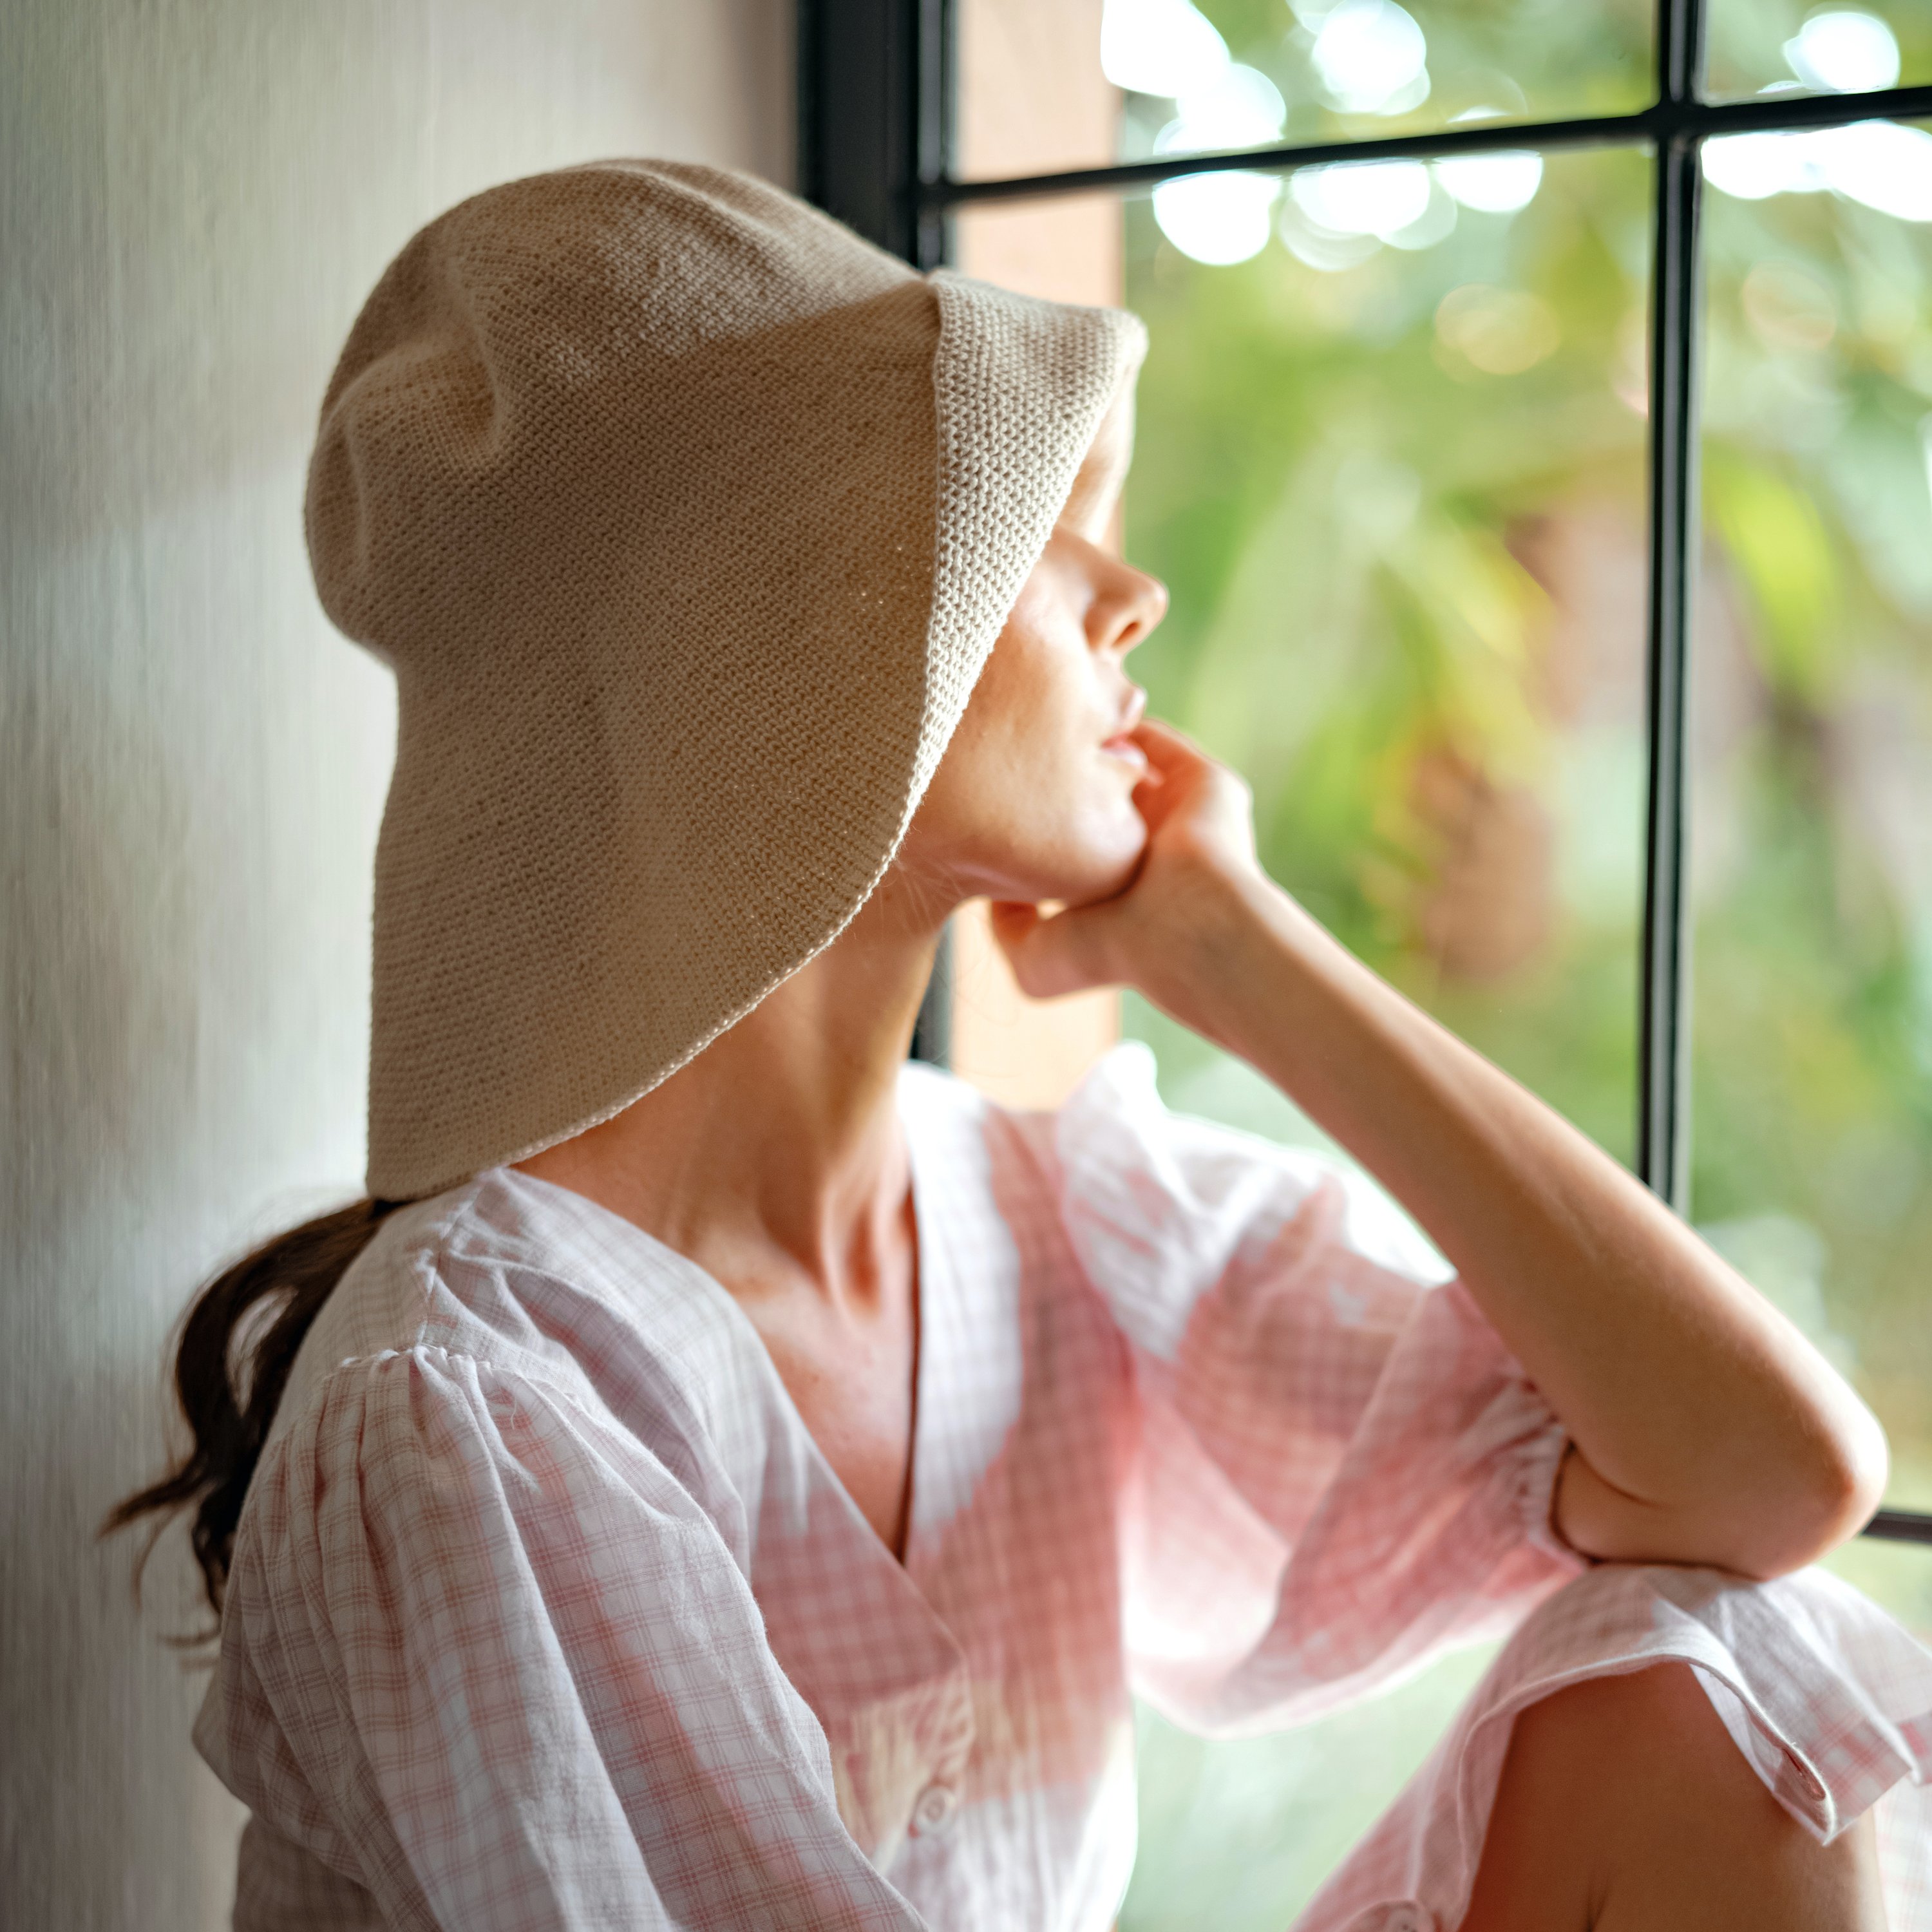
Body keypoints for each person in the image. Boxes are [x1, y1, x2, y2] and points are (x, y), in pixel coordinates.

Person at [111, 161, 1932, 1931]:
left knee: (1735, 1682)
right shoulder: (477, 1407)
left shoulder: (1055, 1224)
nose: (1130, 593)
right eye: (1025, 527)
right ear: (795, 647)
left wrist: (1244, 954)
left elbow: (1762, 1481)